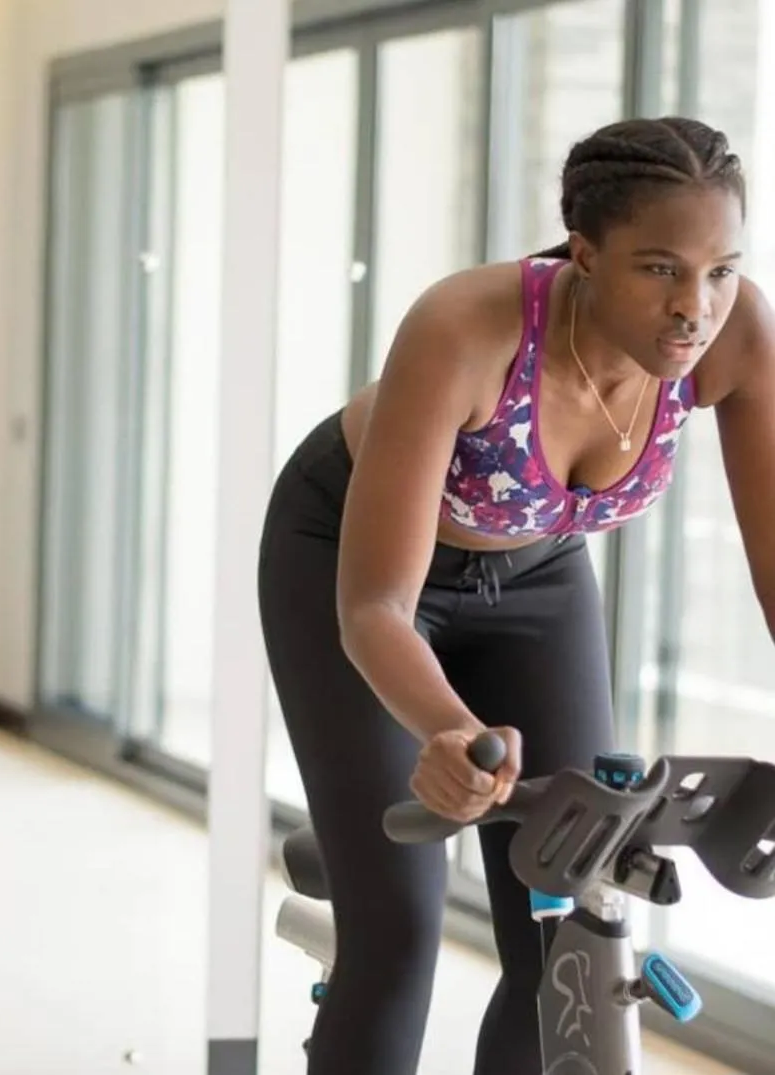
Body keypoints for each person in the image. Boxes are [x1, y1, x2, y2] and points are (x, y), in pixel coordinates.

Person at [259, 116, 775, 1074]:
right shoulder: (466, 327)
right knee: (397, 933)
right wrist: (450, 731)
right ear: (584, 253)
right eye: (660, 268)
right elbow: (374, 605)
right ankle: (364, 854)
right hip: (348, 553)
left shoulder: (735, 337)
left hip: (538, 573)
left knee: (568, 922)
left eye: (720, 269)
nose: (693, 307)